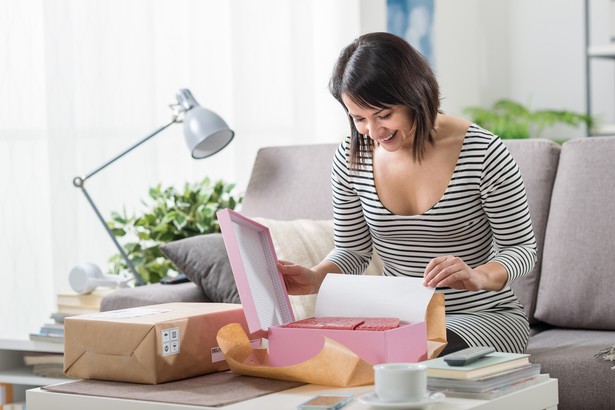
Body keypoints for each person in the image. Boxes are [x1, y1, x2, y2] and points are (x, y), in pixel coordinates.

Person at [277, 32, 537, 355]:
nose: (373, 132)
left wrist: (478, 275)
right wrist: (315, 278)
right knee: (325, 352)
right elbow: (353, 252)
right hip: (401, 321)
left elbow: (522, 249)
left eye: (384, 115)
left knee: (413, 351)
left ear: (415, 95)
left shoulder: (484, 153)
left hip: (483, 317)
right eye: (359, 118)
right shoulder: (351, 157)